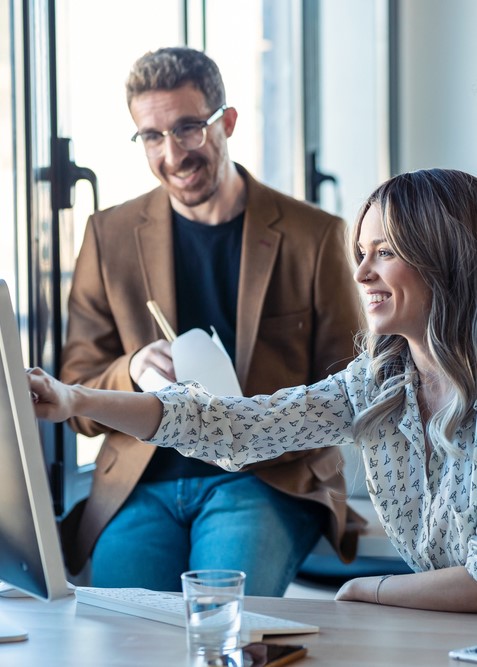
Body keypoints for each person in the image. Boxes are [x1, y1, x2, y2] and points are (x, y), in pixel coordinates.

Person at [30, 167, 477, 612]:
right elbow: (233, 426)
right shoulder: (377, 384)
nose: (360, 274)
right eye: (361, 253)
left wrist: (369, 590)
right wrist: (75, 398)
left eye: (384, 253)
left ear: (444, 258)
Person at [58, 46, 363, 594]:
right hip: (140, 480)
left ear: (227, 122)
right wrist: (130, 370)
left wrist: (256, 428)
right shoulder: (108, 236)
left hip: (263, 477)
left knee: (222, 617)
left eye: (188, 129)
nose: (172, 154)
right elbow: (76, 391)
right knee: (125, 632)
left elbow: (350, 389)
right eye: (151, 136)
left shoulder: (314, 236)